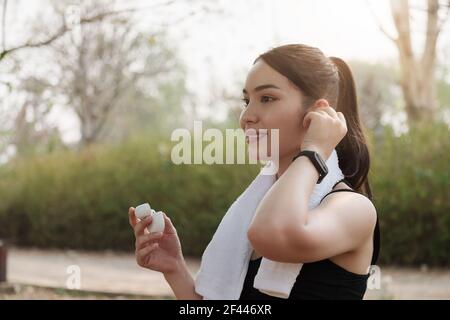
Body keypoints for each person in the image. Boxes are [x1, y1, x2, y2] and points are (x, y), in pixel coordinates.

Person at [128, 44, 379, 300]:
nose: (246, 116)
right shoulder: (256, 206)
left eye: (267, 98)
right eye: (247, 101)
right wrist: (175, 268)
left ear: (317, 112)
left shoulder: (353, 209)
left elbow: (271, 234)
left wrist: (315, 150)